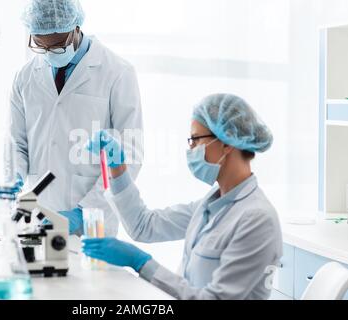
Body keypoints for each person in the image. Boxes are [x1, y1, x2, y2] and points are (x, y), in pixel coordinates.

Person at [83, 93, 283, 300]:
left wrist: (142, 263)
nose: (190, 149)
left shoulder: (257, 219)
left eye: (195, 139)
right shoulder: (211, 204)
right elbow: (144, 226)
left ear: (227, 141)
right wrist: (117, 167)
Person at [9, 0, 143, 236]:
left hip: (92, 220)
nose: (50, 53)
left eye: (58, 46)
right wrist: (14, 180)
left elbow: (129, 154)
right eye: (41, 45)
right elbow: (16, 143)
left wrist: (85, 211)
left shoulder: (117, 72)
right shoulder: (25, 76)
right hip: (37, 213)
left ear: (76, 28)